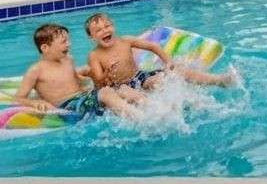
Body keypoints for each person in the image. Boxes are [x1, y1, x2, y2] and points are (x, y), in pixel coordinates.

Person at [13, 23, 142, 120]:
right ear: (45, 48)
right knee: (106, 92)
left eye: (68, 40)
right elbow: (18, 99)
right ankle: (139, 119)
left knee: (123, 89)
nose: (69, 44)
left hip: (83, 98)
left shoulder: (68, 59)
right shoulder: (36, 70)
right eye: (64, 42)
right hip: (69, 107)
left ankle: (153, 109)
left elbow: (75, 80)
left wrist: (92, 76)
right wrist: (36, 102)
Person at [84, 14, 237, 92]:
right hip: (122, 87)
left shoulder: (125, 41)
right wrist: (107, 74)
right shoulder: (95, 56)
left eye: (107, 26)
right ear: (91, 37)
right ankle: (185, 102)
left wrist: (168, 61)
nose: (105, 31)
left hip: (139, 76)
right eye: (98, 30)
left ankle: (219, 81)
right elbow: (98, 81)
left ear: (113, 26)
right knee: (160, 83)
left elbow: (153, 47)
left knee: (178, 72)